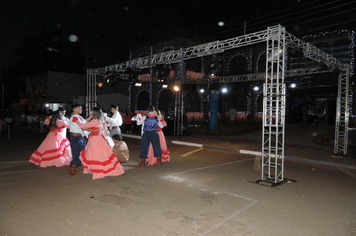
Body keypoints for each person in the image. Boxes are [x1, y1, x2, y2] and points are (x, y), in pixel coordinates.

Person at [73, 107, 125, 180]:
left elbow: (83, 126)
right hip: (97, 138)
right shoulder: (98, 120)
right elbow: (94, 129)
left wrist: (77, 121)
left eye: (92, 111)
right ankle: (95, 169)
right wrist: (88, 129)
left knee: (95, 154)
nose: (91, 111)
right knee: (98, 153)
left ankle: (97, 170)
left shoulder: (94, 120)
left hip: (95, 139)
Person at [68, 104, 87, 177]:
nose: (81, 110)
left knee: (80, 153)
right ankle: (72, 169)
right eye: (80, 109)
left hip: (80, 137)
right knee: (76, 153)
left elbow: (85, 122)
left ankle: (75, 167)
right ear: (74, 110)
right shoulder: (74, 118)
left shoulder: (79, 117)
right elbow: (82, 126)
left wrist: (92, 116)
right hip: (75, 137)